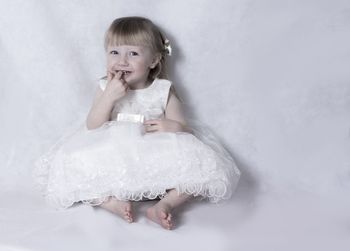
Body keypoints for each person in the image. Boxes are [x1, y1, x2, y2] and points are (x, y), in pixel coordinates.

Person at [34, 16, 241, 230]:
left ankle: (164, 204)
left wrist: (173, 126)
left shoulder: (162, 89)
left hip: (152, 147)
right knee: (73, 163)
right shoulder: (106, 86)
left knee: (202, 164)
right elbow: (93, 126)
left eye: (133, 53)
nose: (122, 61)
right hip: (112, 149)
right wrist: (109, 97)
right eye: (114, 52)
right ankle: (111, 203)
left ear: (153, 61)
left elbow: (182, 125)